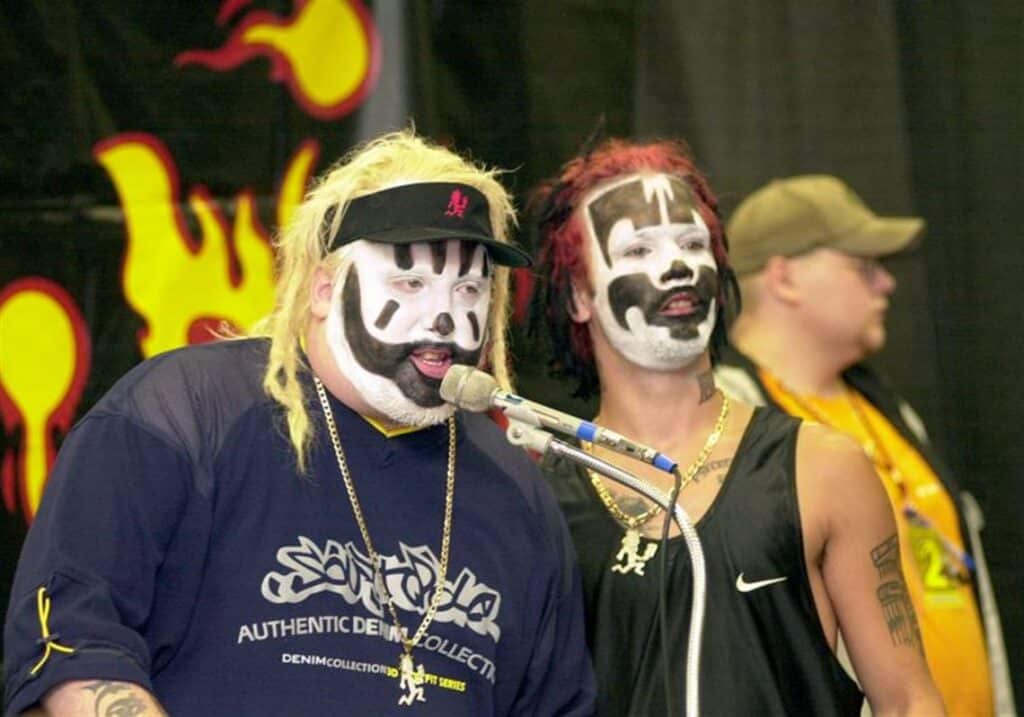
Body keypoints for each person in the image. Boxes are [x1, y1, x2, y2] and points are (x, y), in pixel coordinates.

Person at [4, 130, 595, 716]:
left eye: (468, 288)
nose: (444, 316)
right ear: (323, 288)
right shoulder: (184, 413)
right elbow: (74, 647)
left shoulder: (515, 492)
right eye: (411, 282)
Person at [530, 138, 944, 715]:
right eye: (639, 249)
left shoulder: (820, 466)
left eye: (691, 243)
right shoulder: (538, 495)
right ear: (578, 294)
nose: (675, 266)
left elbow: (908, 701)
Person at [716, 174, 1010, 717]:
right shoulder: (723, 429)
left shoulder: (891, 413)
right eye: (863, 265)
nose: (886, 285)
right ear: (785, 277)